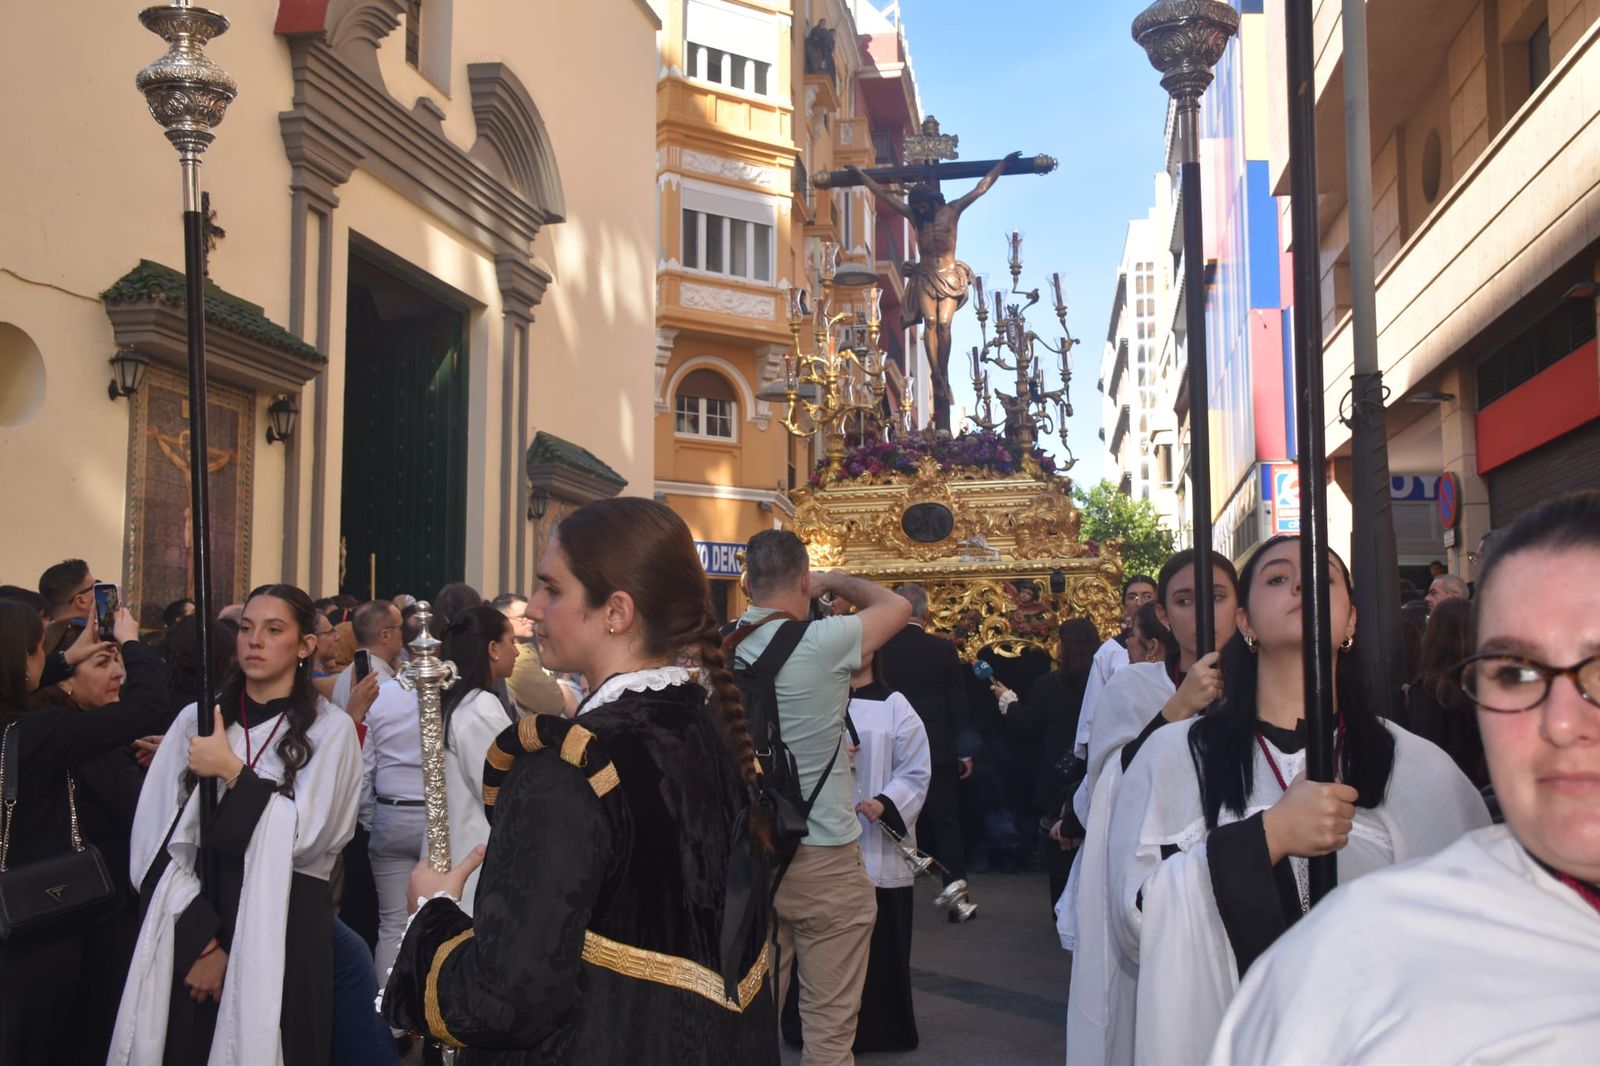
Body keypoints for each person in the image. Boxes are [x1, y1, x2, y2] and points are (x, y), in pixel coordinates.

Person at [381, 498, 777, 1063]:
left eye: (552, 589)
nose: (535, 610)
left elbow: (507, 997)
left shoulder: (570, 766)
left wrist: (432, 916)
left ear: (616, 610)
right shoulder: (715, 734)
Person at [1210, 491, 1600, 1063]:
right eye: (1514, 672)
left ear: (1352, 617)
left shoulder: (1420, 768)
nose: (1562, 722)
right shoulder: (1351, 964)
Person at [1101, 536, 1490, 1064]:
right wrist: (1268, 838)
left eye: (1320, 578)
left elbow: (1468, 937)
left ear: (1351, 621)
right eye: (1278, 579)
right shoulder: (1174, 758)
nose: (1300, 587)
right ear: (1245, 623)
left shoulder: (1417, 766)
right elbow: (1137, 919)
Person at [110, 583, 362, 1066]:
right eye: (246, 628)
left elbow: (304, 838)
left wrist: (230, 771)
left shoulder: (331, 732)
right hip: (194, 917)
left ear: (305, 645)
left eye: (273, 630)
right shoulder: (196, 721)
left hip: (288, 926)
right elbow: (153, 840)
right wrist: (206, 944)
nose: (255, 641)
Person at [727, 529, 910, 1066]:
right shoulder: (823, 642)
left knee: (745, 1024)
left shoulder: (716, 646)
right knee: (829, 1034)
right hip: (822, 853)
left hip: (746, 856)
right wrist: (831, 580)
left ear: (747, 584)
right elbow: (896, 604)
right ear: (803, 581)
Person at [1063, 549, 1239, 1066]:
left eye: (1217, 597)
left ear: (1241, 608)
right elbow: (1107, 790)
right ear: (1163, 614)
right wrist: (1176, 710)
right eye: (1185, 600)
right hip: (1157, 883)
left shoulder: (1265, 682)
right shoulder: (1133, 686)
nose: (1202, 613)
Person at [0, 603, 168, 1066]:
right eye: (38, 652)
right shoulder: (42, 732)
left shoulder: (25, 728)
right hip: (36, 924)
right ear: (22, 661)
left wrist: (65, 657)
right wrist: (132, 643)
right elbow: (147, 707)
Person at [849, 150, 1020, 423]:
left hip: (950, 276)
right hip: (925, 276)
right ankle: (936, 374)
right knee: (929, 322)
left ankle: (944, 370)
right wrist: (861, 176)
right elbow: (885, 197)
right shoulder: (916, 217)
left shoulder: (952, 211)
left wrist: (1002, 164)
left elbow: (980, 189)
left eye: (922, 207)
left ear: (930, 201)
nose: (919, 212)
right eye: (916, 208)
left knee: (943, 325)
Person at [827, 650, 932, 1052]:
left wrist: (887, 802)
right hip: (831, 840)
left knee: (882, 944)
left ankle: (883, 1028)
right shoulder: (821, 698)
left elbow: (917, 769)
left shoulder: (895, 706)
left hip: (879, 845)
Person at [876, 583, 974, 893]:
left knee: (890, 813)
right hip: (936, 747)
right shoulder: (943, 649)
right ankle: (956, 889)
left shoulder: (880, 649)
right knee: (946, 821)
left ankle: (890, 887)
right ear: (926, 612)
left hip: (891, 745)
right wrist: (964, 752)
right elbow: (958, 704)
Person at [1015, 617, 1100, 906]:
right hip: (1092, 770)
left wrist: (1007, 702)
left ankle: (1061, 906)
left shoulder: (1048, 685)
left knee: (1057, 848)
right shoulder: (1103, 682)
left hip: (1057, 775)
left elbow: (1028, 722)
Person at [438, 603, 517, 912]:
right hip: (475, 850)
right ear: (493, 649)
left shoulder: (465, 703)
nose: (518, 652)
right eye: (512, 642)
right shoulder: (479, 707)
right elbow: (499, 785)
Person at [1073, 576, 1159, 773]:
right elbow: (1093, 707)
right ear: (1124, 605)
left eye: (1146, 596)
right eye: (1132, 597)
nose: (1139, 603)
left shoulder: (1174, 645)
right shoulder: (1110, 651)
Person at [1404, 596, 1488, 788]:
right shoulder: (1487, 684)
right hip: (1485, 789)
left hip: (1448, 791)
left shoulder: (1428, 690)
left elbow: (1424, 755)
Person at [495, 592, 567, 716]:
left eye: (530, 616)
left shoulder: (523, 651)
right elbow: (555, 703)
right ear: (503, 619)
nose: (530, 621)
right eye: (523, 617)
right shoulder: (517, 659)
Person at [330, 600, 405, 710]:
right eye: (401, 628)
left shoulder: (344, 675)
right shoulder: (379, 683)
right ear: (385, 635)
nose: (403, 633)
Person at [37, 558, 98, 622]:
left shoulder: (36, 630)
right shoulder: (97, 631)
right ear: (81, 601)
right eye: (95, 586)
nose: (100, 591)